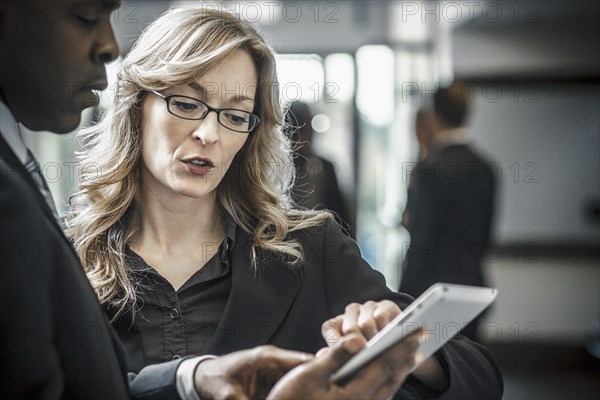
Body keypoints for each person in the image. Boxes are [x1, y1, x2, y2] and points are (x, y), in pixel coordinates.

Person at [0, 1, 437, 399]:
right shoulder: (64, 251)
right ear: (137, 106)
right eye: (188, 103)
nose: (209, 135)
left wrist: (400, 340)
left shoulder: (310, 247)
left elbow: (472, 370)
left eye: (234, 115)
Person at [399, 82, 498, 341]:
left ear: (432, 116)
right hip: (473, 287)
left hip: (435, 293)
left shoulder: (432, 168)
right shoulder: (486, 168)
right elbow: (485, 237)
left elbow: (423, 241)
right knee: (471, 368)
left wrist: (403, 298)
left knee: (435, 374)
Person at [285, 101, 351, 231]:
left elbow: (340, 216)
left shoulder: (324, 166)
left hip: (321, 241)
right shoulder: (275, 169)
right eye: (301, 130)